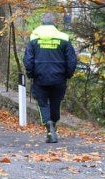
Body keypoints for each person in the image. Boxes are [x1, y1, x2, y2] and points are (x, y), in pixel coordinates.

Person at [24, 13, 79, 143]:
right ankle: (53, 123)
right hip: (59, 77)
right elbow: (71, 59)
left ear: (42, 23)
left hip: (40, 77)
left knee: (42, 103)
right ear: (55, 23)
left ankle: (48, 124)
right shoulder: (64, 38)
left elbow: (28, 59)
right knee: (56, 103)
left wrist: (31, 73)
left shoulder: (34, 37)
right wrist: (68, 74)